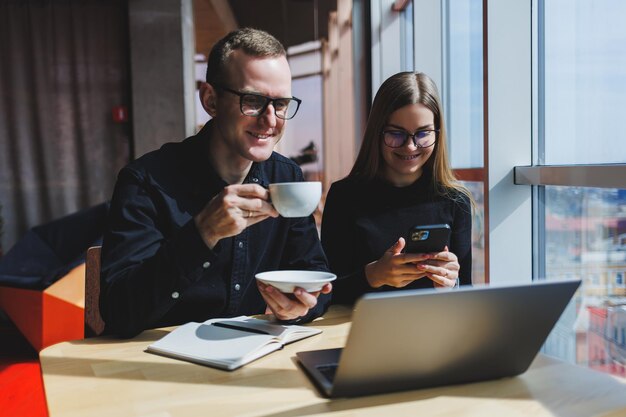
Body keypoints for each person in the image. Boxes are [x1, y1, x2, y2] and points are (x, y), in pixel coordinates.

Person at [100, 28, 332, 337]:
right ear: (210, 100)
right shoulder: (145, 182)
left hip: (251, 356)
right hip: (157, 364)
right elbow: (119, 311)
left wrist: (300, 308)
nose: (271, 120)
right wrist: (202, 234)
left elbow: (319, 279)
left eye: (281, 104)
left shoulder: (286, 178)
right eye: (253, 101)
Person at [321, 71, 473, 305]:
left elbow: (466, 295)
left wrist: (450, 285)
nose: (410, 146)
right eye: (396, 134)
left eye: (423, 134)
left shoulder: (455, 200)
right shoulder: (345, 196)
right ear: (377, 132)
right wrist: (372, 276)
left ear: (437, 134)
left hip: (433, 333)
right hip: (360, 333)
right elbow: (325, 293)